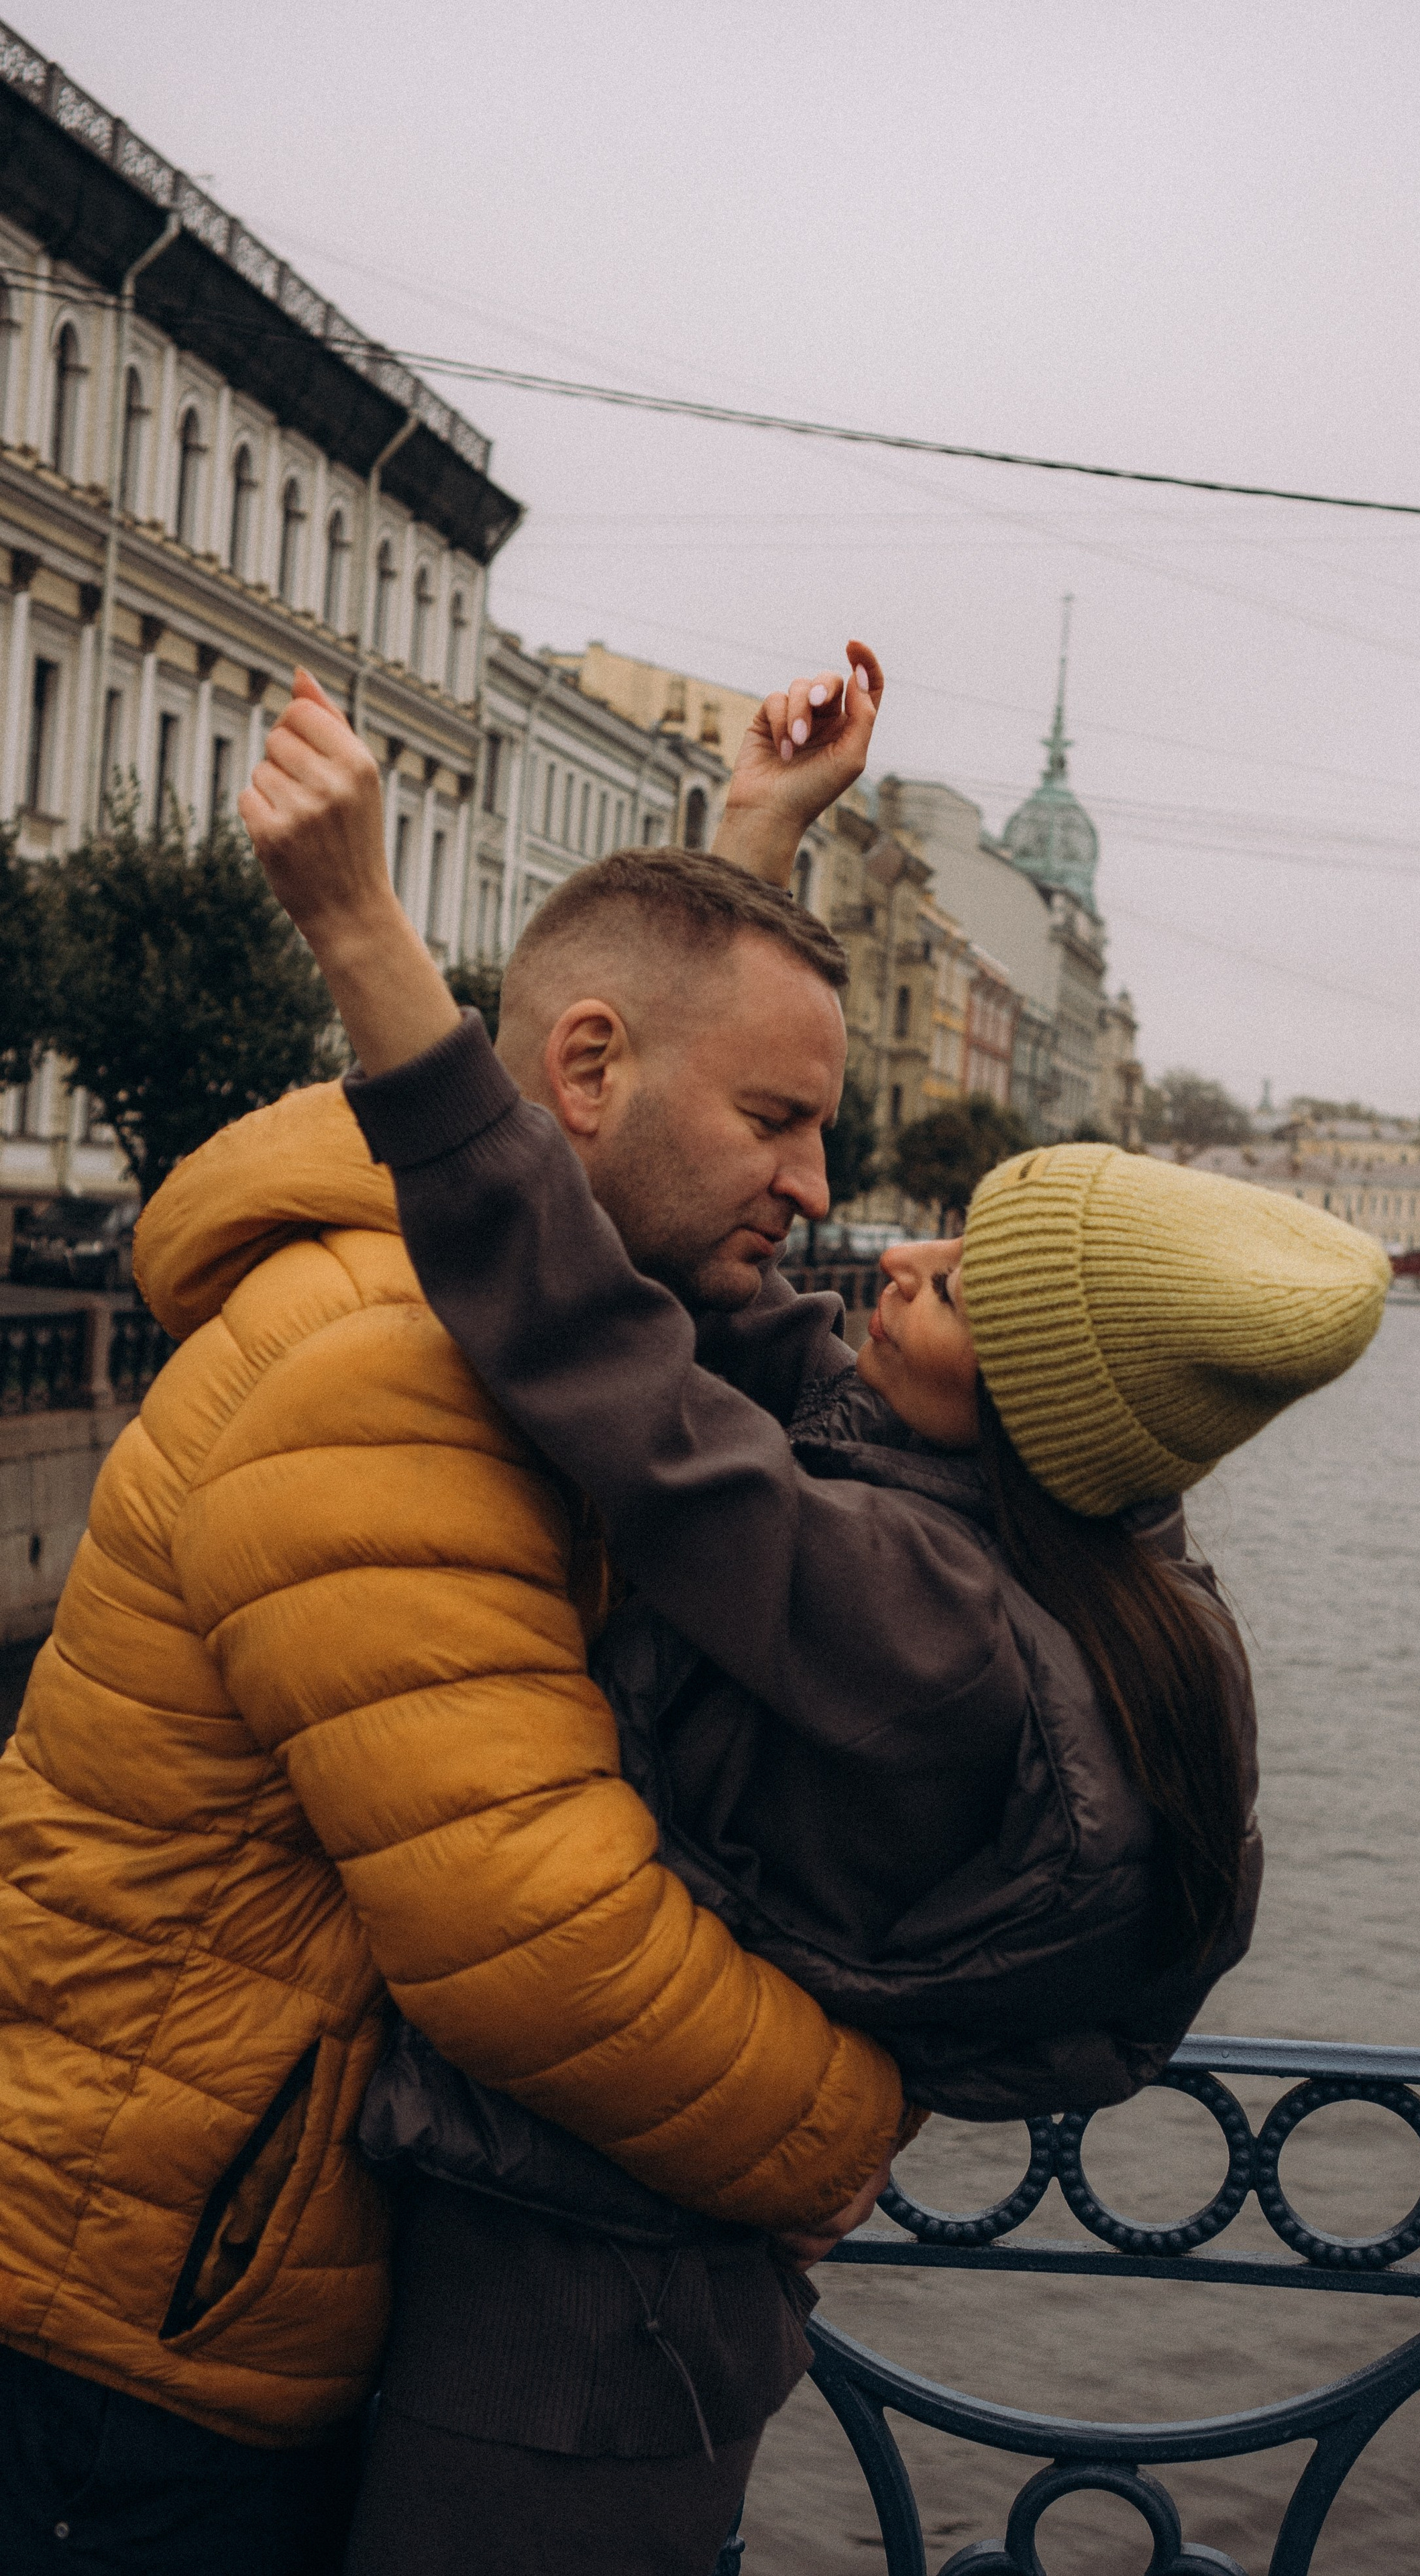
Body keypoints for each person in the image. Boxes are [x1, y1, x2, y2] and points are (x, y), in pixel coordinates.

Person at [240, 662, 1393, 2573]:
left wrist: (369, 941)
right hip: (615, 2271)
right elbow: (686, 1270)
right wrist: (753, 848)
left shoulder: (924, 1616)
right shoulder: (994, 1529)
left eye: (962, 1284)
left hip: (586, 2330)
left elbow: (617, 1361)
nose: (892, 1244)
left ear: (1022, 1395)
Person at [0, 655, 904, 2576]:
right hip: (120, 2330)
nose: (817, 1187)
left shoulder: (488, 1314)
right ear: (584, 1072)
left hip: (192, 2268)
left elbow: (649, 1277)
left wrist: (747, 850)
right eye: (780, 1123)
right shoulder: (386, 1360)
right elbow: (535, 1937)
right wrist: (839, 2131)